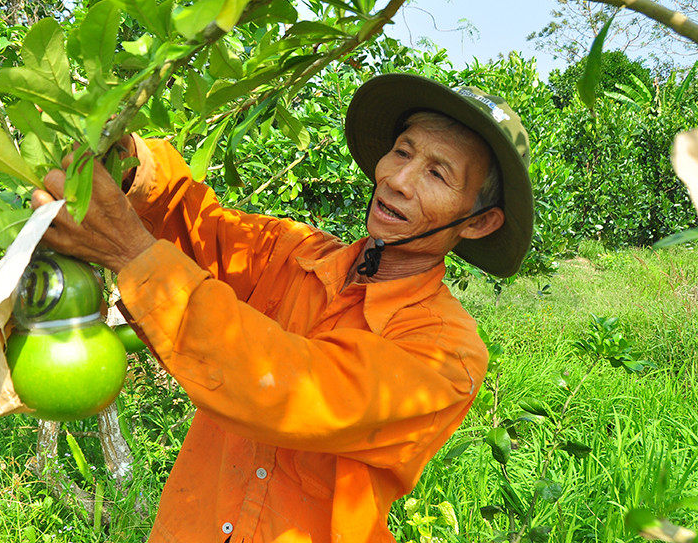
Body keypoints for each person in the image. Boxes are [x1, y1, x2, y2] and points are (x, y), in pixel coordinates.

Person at [30, 73, 534, 543]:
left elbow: (287, 390)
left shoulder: (447, 354)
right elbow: (199, 225)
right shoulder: (291, 254)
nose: (398, 179)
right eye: (402, 151)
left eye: (437, 174)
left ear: (479, 222)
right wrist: (132, 164)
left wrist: (131, 254)